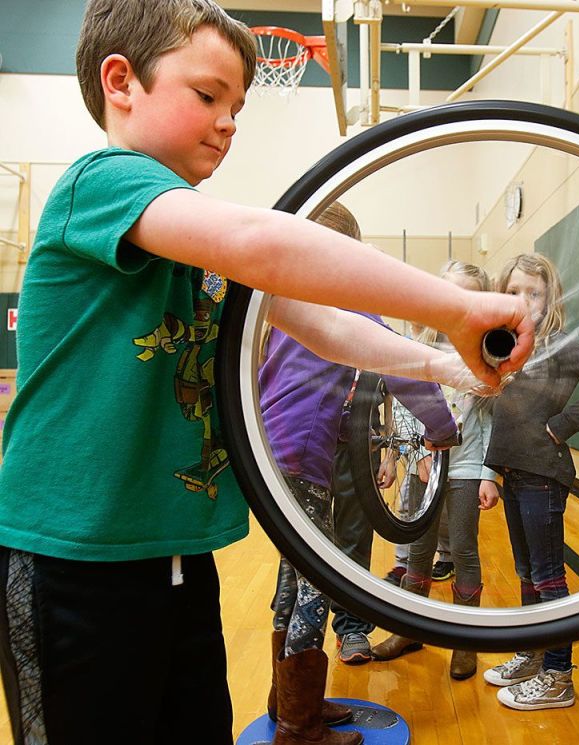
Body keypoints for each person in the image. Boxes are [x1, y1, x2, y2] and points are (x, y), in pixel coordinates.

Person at [0, 3, 533, 743]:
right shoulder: (100, 183)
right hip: (73, 562)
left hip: (177, 557)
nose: (228, 122)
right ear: (120, 82)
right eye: (208, 95)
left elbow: (327, 323)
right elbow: (264, 242)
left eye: (238, 106)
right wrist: (456, 306)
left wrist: (446, 362)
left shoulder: (195, 243)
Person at [259, 202, 457, 744]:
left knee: (291, 574)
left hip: (272, 455)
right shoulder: (344, 307)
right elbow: (404, 366)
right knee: (317, 580)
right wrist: (442, 427)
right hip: (304, 456)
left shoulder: (280, 305)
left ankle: (288, 701)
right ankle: (298, 728)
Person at [482, 253, 579, 711]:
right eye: (513, 291)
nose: (523, 300)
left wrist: (563, 425)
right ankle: (533, 652)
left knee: (547, 576)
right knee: (527, 573)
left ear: (549, 300)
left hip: (544, 474)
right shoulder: (504, 345)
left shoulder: (559, 346)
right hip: (513, 470)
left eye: (534, 293)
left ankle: (559, 675)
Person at [372, 260, 501, 680]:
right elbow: (406, 407)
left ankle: (466, 641)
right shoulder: (420, 344)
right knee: (418, 551)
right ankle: (410, 631)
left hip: (465, 470)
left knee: (463, 550)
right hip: (420, 469)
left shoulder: (484, 355)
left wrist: (489, 474)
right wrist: (411, 458)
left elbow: (489, 422)